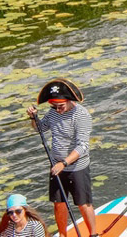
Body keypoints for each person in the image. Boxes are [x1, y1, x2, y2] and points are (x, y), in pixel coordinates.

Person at [27, 78, 96, 237]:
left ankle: (93, 234)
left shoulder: (81, 116)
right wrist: (33, 118)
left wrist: (64, 163)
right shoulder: (53, 112)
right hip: (57, 166)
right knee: (59, 204)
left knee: (83, 204)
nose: (57, 110)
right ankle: (63, 235)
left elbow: (83, 146)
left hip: (76, 167)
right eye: (54, 106)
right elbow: (41, 128)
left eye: (61, 106)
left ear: (69, 101)